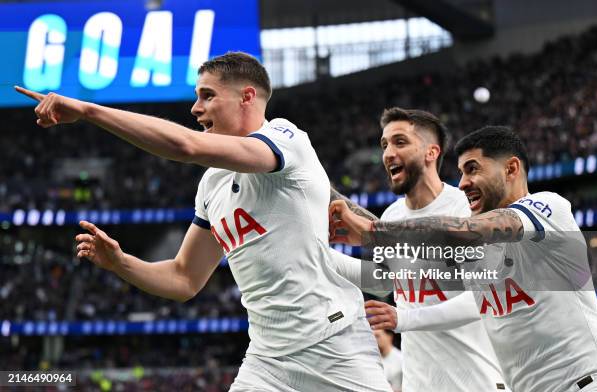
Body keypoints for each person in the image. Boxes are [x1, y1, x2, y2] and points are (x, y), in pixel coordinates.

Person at [16, 52, 391, 392]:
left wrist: (89, 111)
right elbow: (183, 278)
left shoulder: (286, 138)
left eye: (207, 96)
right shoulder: (212, 183)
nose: (195, 108)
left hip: (334, 343)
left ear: (247, 97)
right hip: (266, 359)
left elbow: (187, 146)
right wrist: (120, 263)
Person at [329, 126, 597, 392]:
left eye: (472, 169)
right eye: (461, 172)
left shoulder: (547, 209)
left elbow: (468, 230)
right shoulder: (482, 257)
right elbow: (395, 273)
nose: (463, 183)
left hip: (586, 383)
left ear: (511, 168)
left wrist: (376, 232)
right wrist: (325, 213)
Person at [328, 109, 507, 391]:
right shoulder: (391, 216)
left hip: (473, 381)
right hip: (418, 382)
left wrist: (404, 319)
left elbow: (484, 299)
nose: (388, 153)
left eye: (400, 142)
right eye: (384, 144)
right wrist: (318, 254)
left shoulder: (466, 208)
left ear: (431, 152)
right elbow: (383, 280)